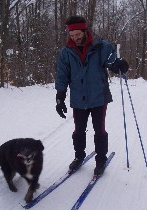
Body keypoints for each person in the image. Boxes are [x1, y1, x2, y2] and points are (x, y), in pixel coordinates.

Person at [55, 16, 129, 176]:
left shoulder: (100, 46)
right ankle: (79, 156)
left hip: (98, 97)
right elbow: (62, 75)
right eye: (72, 35)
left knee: (99, 130)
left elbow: (112, 60)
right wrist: (60, 97)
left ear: (84, 30)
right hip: (78, 99)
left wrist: (119, 65)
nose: (75, 38)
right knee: (78, 131)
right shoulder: (66, 52)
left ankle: (101, 159)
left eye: (77, 34)